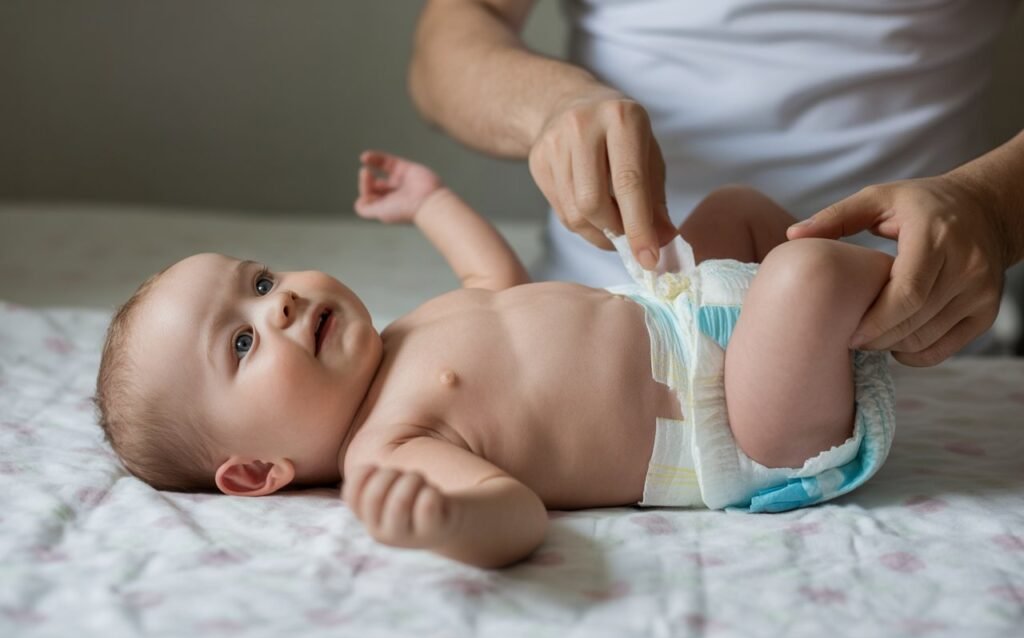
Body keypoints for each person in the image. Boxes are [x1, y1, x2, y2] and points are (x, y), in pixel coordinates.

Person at [95, 151, 896, 569]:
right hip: (735, 426)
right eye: (241, 343)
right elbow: (511, 512)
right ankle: (908, 306)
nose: (278, 305)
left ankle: (849, 317)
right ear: (255, 472)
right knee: (805, 276)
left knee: (736, 211)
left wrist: (429, 203)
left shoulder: (407, 335)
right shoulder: (388, 448)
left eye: (262, 281)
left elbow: (492, 281)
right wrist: (451, 522)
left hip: (684, 313)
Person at [407, 0, 1024, 368]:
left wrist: (996, 209)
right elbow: (450, 41)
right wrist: (549, 106)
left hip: (918, 327)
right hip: (602, 310)